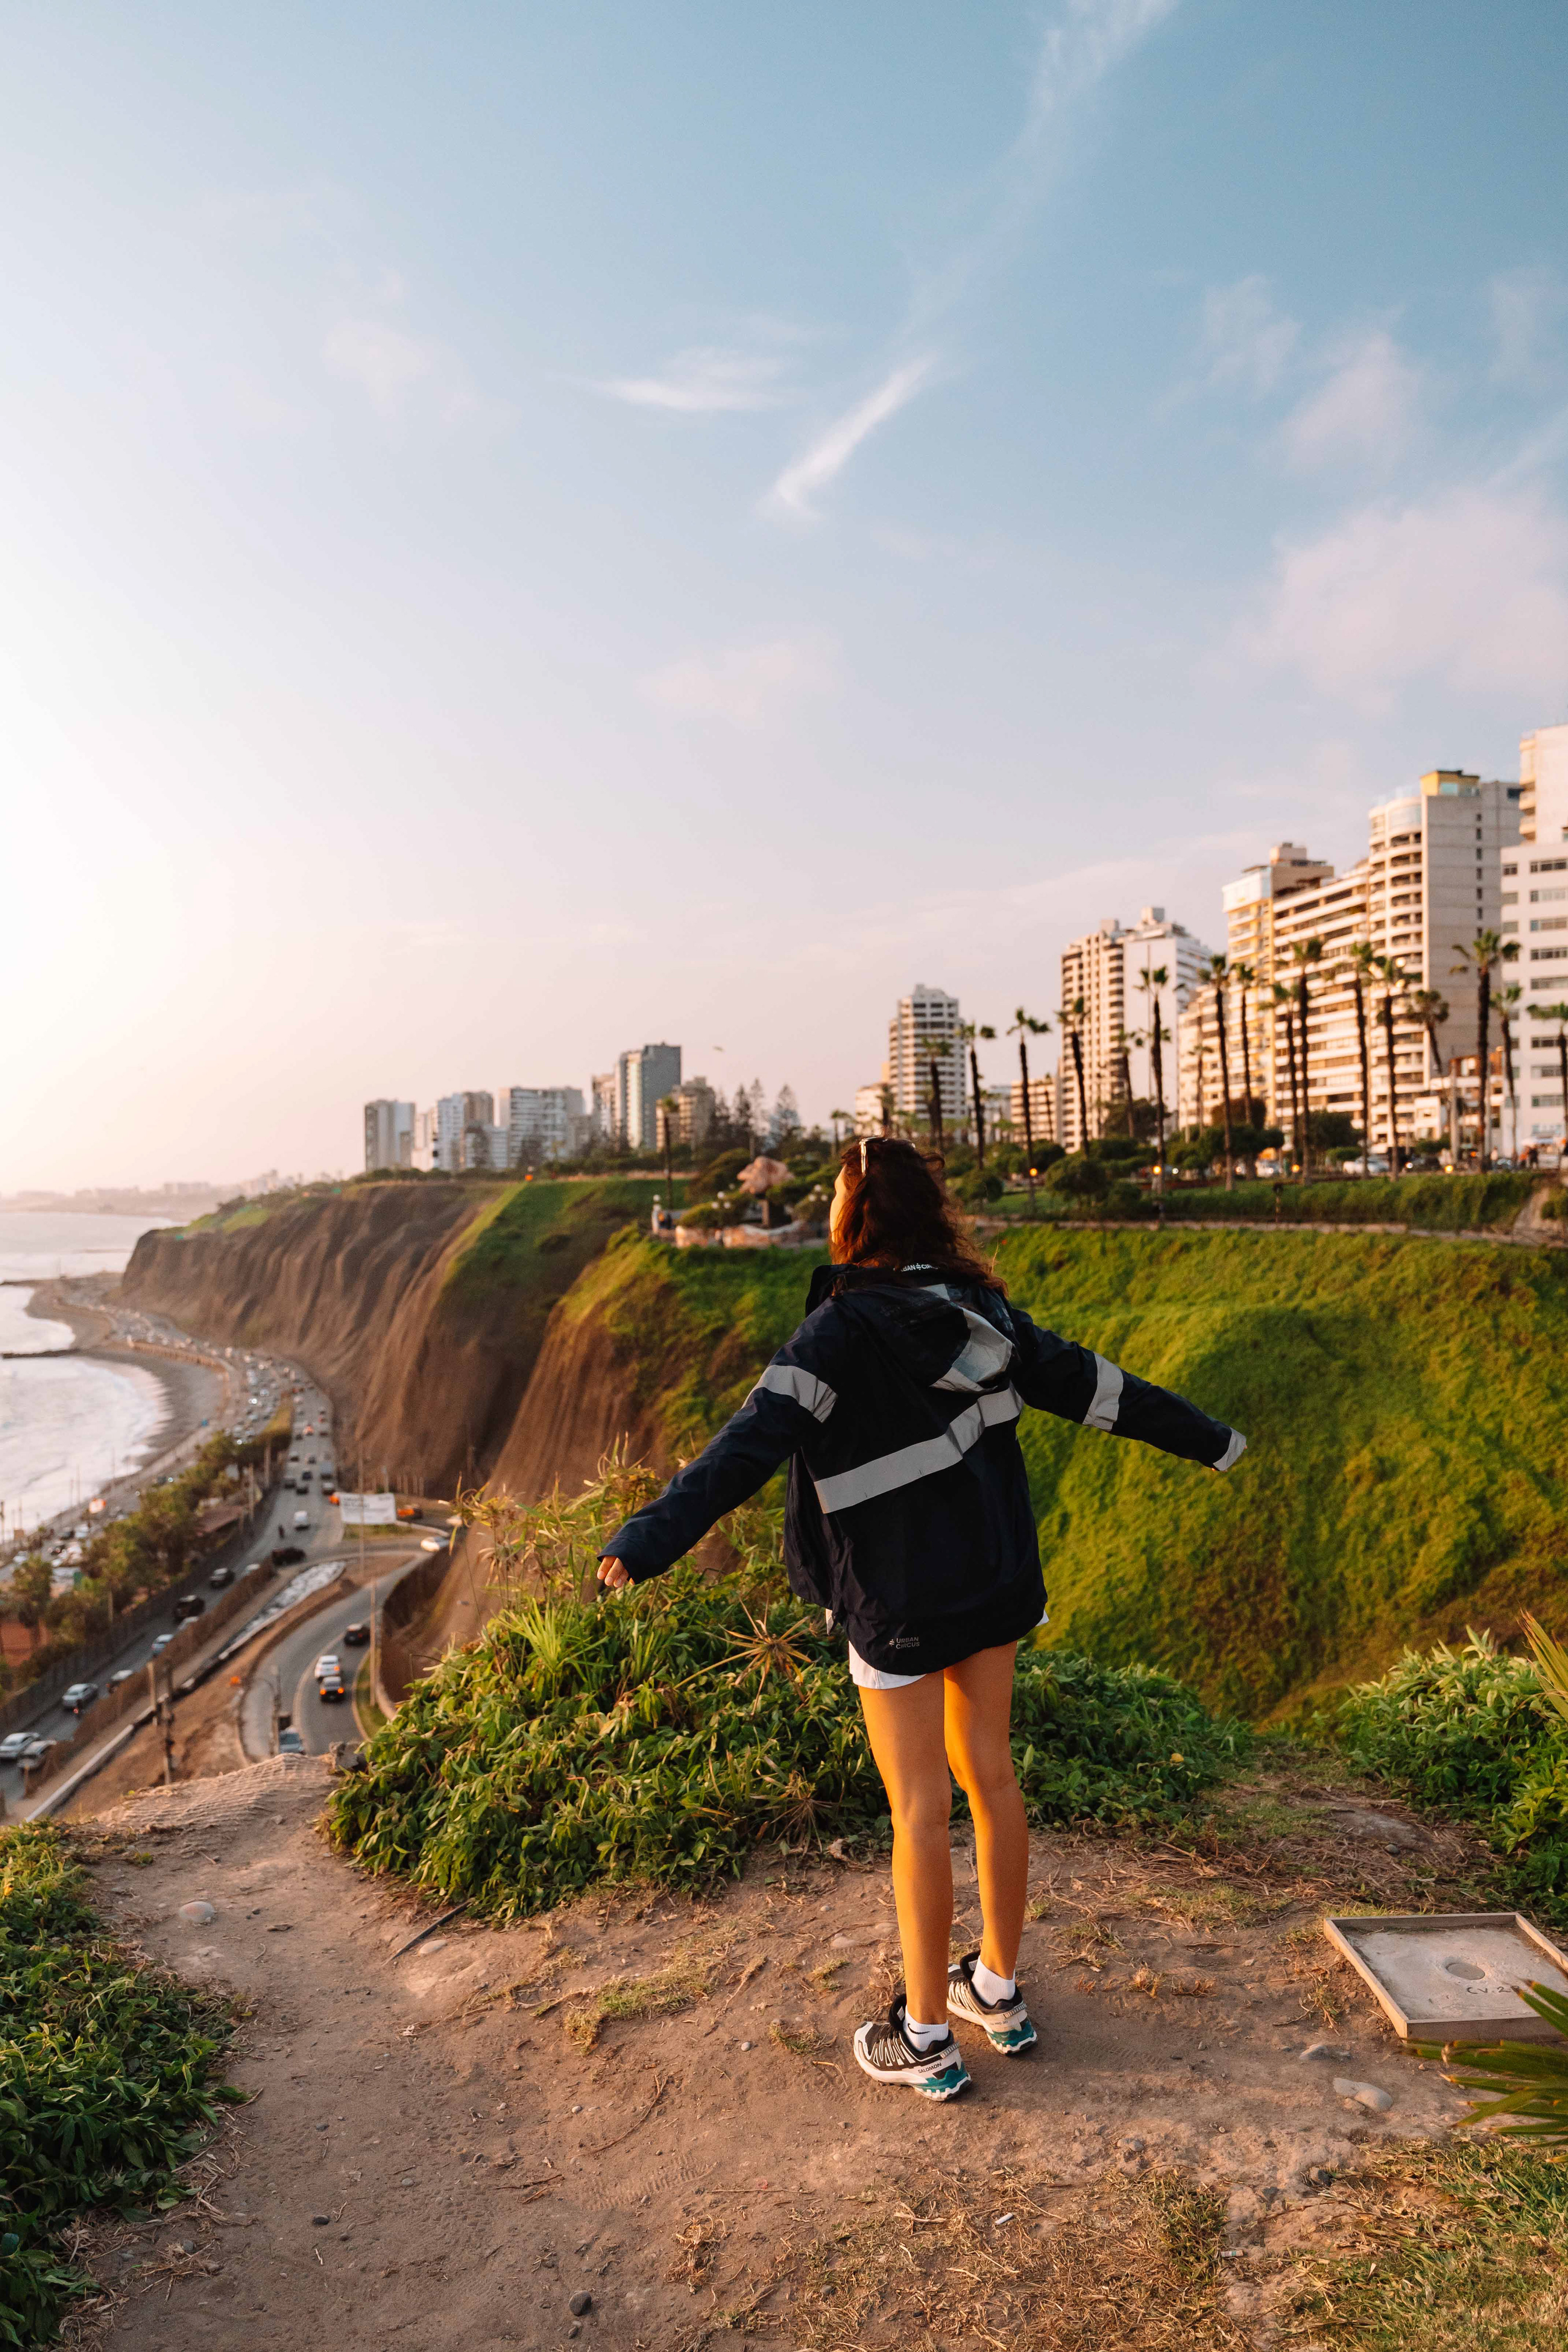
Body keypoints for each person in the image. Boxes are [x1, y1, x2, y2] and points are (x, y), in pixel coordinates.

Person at [597, 1137, 1246, 2101]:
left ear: (851, 1219)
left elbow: (739, 1454)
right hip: (991, 1586)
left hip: (895, 1605)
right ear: (928, 1212)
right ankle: (997, 1990)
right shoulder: (983, 1316)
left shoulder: (830, 1336)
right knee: (991, 1779)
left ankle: (927, 2037)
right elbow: (1100, 1390)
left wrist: (642, 1543)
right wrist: (1215, 1441)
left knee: (918, 1809)